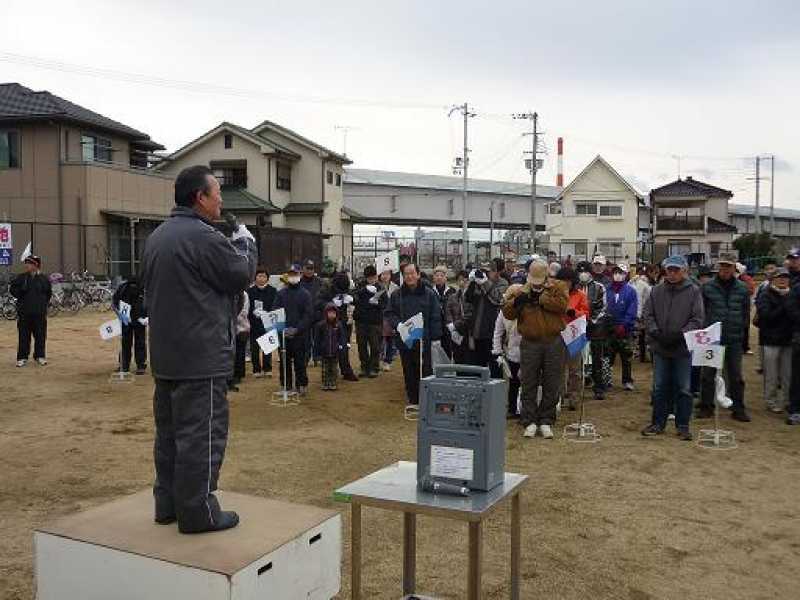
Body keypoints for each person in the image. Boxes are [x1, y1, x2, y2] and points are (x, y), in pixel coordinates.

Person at [140, 165, 257, 534]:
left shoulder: (157, 237)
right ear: (199, 198)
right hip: (201, 356)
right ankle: (198, 512)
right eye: (216, 192)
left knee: (170, 435)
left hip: (167, 355)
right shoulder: (203, 237)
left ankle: (168, 504)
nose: (221, 199)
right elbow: (240, 274)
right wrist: (245, 243)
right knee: (201, 435)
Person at [641, 256, 705, 440]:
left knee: (684, 387)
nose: (673, 273)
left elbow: (698, 319)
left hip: (682, 348)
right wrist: (656, 332)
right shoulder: (656, 291)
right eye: (669, 269)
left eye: (676, 270)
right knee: (659, 386)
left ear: (684, 271)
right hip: (660, 346)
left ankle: (683, 425)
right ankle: (657, 423)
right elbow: (648, 314)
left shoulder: (694, 292)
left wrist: (681, 335)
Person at [502, 260, 568, 439]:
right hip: (530, 342)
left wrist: (542, 299)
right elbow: (507, 313)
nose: (536, 283)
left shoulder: (558, 287)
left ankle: (546, 419)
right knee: (528, 381)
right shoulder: (521, 290)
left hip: (554, 341)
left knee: (551, 381)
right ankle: (529, 420)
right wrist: (517, 303)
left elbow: (563, 305)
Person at [698, 253, 751, 422]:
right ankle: (706, 406)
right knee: (708, 374)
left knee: (735, 375)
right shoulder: (707, 288)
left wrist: (743, 336)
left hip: (734, 338)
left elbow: (745, 314)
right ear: (718, 267)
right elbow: (701, 312)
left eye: (728, 266)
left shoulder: (742, 289)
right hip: (712, 338)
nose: (725, 269)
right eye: (722, 266)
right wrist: (705, 331)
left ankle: (738, 407)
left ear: (734, 267)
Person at [384, 263, 443, 406]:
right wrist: (398, 325)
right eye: (406, 274)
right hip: (406, 340)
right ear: (403, 276)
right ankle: (413, 399)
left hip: (425, 340)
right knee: (409, 371)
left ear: (418, 274)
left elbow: (435, 316)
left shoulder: (429, 294)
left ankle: (426, 399)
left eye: (412, 273)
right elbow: (389, 313)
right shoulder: (397, 295)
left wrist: (436, 338)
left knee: (425, 370)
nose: (409, 276)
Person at [272, 264, 314, 395]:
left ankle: (302, 384)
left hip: (300, 335)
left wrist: (297, 329)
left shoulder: (305, 294)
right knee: (284, 361)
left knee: (300, 361)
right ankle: (286, 385)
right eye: (291, 274)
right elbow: (275, 311)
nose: (293, 277)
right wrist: (283, 329)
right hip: (283, 334)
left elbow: (308, 315)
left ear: (300, 275)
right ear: (287, 276)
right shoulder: (280, 294)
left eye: (295, 274)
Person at [755, 268, 792, 413]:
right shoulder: (765, 294)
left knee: (787, 374)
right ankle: (771, 401)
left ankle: (786, 401)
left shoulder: (793, 294)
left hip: (788, 340)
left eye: (785, 277)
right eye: (780, 277)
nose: (783, 279)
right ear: (773, 279)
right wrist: (784, 306)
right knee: (771, 374)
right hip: (770, 339)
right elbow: (766, 316)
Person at [464, 261, 508, 373]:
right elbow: (468, 299)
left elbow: (498, 299)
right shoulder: (478, 283)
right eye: (484, 272)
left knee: (495, 370)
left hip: (493, 334)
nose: (486, 274)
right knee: (477, 369)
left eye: (489, 272)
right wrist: (472, 282)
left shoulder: (503, 283)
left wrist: (485, 282)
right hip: (477, 333)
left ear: (496, 272)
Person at [555, 267, 590, 411]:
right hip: (558, 333)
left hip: (574, 334)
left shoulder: (580, 295)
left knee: (575, 369)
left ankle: (574, 397)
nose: (565, 283)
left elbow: (586, 314)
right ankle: (559, 397)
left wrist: (574, 312)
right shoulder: (555, 294)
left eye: (568, 281)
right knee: (558, 369)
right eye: (563, 280)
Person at [576, 260, 610, 399]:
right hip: (577, 327)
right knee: (576, 358)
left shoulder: (599, 287)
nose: (583, 274)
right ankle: (575, 388)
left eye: (586, 271)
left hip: (596, 328)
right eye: (580, 271)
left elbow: (603, 306)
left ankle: (599, 387)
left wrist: (592, 320)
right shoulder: (574, 287)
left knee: (597, 357)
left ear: (591, 273)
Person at [11, 255, 52, 367]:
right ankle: (22, 357)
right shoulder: (21, 278)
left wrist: (42, 305)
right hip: (24, 312)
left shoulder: (44, 279)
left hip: (39, 313)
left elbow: (48, 294)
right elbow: (13, 290)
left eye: (29, 263)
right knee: (23, 336)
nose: (27, 265)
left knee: (40, 335)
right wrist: (20, 291)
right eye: (26, 263)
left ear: (36, 265)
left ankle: (40, 356)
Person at [606, 264, 638, 391]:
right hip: (609, 328)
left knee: (626, 356)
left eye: (621, 273)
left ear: (626, 275)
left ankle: (627, 380)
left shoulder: (631, 291)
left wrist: (624, 325)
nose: (618, 275)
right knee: (608, 356)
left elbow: (632, 309)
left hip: (625, 329)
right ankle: (606, 379)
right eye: (616, 272)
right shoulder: (606, 289)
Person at [492, 285, 523, 418]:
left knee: (528, 382)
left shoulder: (527, 310)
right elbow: (498, 332)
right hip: (511, 351)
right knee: (514, 381)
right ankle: (512, 408)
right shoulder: (504, 312)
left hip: (528, 352)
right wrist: (497, 351)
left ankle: (525, 409)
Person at [354, 265, 386, 378]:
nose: (372, 280)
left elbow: (386, 304)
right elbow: (354, 298)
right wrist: (364, 290)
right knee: (361, 345)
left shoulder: (381, 288)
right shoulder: (360, 286)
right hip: (361, 320)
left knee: (375, 345)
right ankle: (364, 367)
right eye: (369, 278)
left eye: (373, 277)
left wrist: (378, 304)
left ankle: (374, 367)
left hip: (375, 321)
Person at [112, 275, 147, 374]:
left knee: (126, 342)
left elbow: (114, 301)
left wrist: (118, 313)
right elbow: (149, 303)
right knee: (139, 342)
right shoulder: (143, 288)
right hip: (136, 318)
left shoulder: (123, 287)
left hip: (128, 318)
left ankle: (125, 365)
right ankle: (139, 366)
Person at [248, 267, 277, 378]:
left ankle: (267, 368)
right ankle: (256, 369)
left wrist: (267, 312)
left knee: (267, 347)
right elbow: (246, 306)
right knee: (254, 348)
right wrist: (253, 312)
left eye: (263, 276)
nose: (261, 278)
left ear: (267, 278)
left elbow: (276, 305)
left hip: (268, 322)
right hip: (254, 322)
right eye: (259, 276)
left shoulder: (273, 291)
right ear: (255, 278)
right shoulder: (249, 291)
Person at [315, 303, 348, 391]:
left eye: (333, 313)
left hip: (335, 351)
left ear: (336, 314)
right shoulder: (320, 325)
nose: (331, 315)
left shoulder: (339, 325)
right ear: (326, 313)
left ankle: (333, 383)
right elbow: (317, 340)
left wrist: (342, 347)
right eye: (329, 313)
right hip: (324, 351)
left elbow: (342, 338)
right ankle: (325, 383)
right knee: (325, 369)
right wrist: (317, 352)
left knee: (334, 369)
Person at [446, 270, 473, 365]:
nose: (462, 282)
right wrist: (450, 325)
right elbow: (448, 311)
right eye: (460, 280)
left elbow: (470, 315)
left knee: (469, 360)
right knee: (458, 359)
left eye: (465, 280)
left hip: (468, 333)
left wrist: (455, 325)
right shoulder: (453, 297)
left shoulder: (472, 296)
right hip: (456, 335)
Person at [431, 265, 455, 357]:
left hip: (448, 327)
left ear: (446, 278)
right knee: (435, 353)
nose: (439, 278)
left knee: (448, 351)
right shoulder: (430, 291)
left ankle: (448, 370)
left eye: (441, 275)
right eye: (437, 275)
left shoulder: (451, 291)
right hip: (435, 327)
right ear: (433, 277)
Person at [629, 266, 652, 363]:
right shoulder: (644, 285)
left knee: (637, 336)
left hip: (635, 313)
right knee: (642, 336)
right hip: (642, 313)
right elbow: (646, 299)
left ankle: (638, 354)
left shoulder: (630, 283)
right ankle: (642, 355)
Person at [379, 267, 400, 371]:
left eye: (387, 274)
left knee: (390, 339)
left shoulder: (395, 287)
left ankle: (387, 361)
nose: (385, 276)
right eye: (383, 274)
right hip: (379, 316)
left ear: (390, 275)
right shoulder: (377, 286)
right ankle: (379, 358)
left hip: (390, 316)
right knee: (379, 339)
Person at [229, 291, 249, 392]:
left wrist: (233, 318)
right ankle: (229, 377)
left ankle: (238, 374)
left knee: (240, 353)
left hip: (241, 327)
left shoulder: (244, 294)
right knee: (229, 354)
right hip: (226, 328)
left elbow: (244, 311)